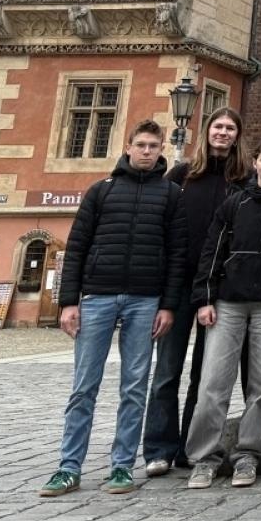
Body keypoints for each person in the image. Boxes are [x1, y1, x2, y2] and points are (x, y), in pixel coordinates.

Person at [39, 120, 188, 499]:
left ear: (161, 150)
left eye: (154, 146)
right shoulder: (101, 192)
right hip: (98, 297)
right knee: (83, 387)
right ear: (128, 147)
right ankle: (68, 467)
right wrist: (69, 302)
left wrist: (168, 306)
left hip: (145, 299)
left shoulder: (171, 194)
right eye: (141, 145)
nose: (147, 151)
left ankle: (122, 466)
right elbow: (76, 248)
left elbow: (177, 255)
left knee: (135, 387)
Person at [184, 137, 261, 489]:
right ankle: (204, 457)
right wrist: (205, 298)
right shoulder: (234, 203)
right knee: (213, 382)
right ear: (255, 163)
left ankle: (247, 454)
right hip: (228, 302)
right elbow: (213, 250)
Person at [144, 106, 252, 476]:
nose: (223, 133)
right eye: (218, 127)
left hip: (219, 286)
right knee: (167, 371)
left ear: (237, 135)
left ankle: (192, 445)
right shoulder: (182, 175)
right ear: (207, 132)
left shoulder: (243, 178)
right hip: (179, 282)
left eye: (229, 128)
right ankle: (159, 447)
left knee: (206, 376)